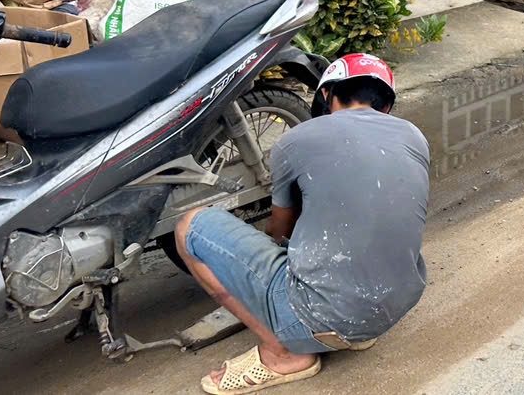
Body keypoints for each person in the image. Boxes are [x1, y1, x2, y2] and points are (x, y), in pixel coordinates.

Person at [176, 53, 430, 393]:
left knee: (190, 226)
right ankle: (351, 331)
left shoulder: (297, 139)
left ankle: (282, 353)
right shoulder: (414, 136)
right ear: (385, 104)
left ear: (326, 94)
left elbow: (280, 231)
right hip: (393, 309)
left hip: (324, 319)